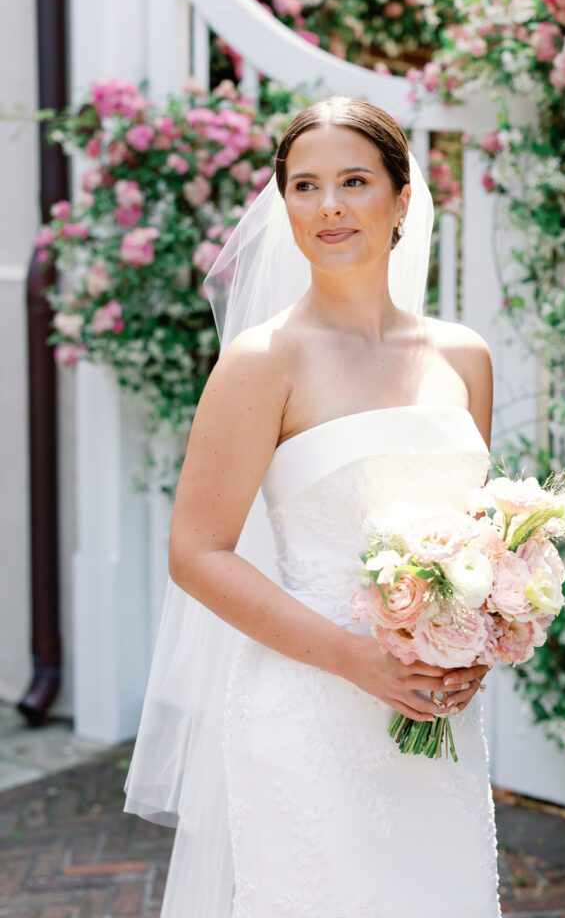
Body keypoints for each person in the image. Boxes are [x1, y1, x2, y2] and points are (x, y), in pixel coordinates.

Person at [124, 96, 500, 917]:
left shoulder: (464, 358)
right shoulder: (262, 361)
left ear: (402, 200)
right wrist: (354, 659)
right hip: (307, 711)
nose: (327, 206)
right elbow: (197, 552)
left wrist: (474, 639)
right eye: (304, 185)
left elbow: (476, 543)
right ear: (283, 203)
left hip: (434, 714)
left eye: (354, 181)